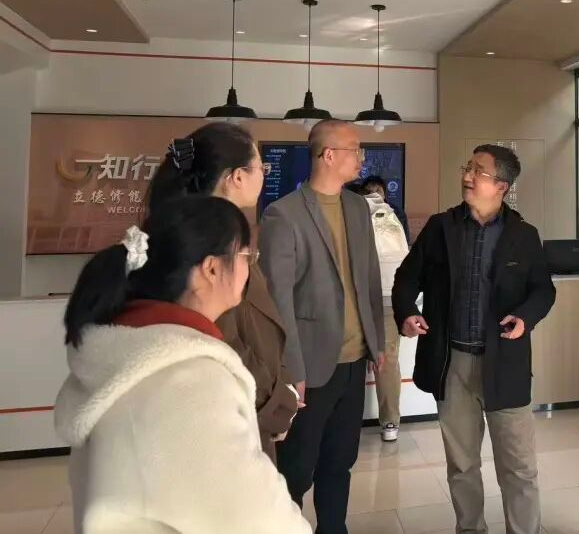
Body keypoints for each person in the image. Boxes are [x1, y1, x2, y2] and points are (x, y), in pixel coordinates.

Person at [55, 197, 311, 534]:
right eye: (247, 257)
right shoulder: (190, 380)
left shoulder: (128, 350)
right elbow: (258, 517)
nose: (250, 269)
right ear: (212, 269)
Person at [393, 144, 555, 534]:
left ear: (501, 186)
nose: (467, 176)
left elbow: (543, 290)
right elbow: (407, 277)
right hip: (452, 364)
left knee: (518, 466)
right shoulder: (440, 228)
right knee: (462, 464)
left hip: (505, 364)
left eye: (478, 171)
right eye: (467, 167)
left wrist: (525, 317)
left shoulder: (523, 235)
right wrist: (407, 312)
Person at [147, 123, 299, 463]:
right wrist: (275, 403)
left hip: (243, 406)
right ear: (237, 177)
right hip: (230, 417)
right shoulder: (210, 243)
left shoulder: (215, 232)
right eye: (260, 167)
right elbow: (220, 338)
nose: (264, 175)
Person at [261, 120, 385, 534]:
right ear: (329, 155)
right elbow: (278, 301)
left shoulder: (357, 208)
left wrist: (377, 344)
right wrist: (292, 369)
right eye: (355, 149)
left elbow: (369, 280)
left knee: (340, 461)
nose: (362, 158)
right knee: (296, 469)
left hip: (353, 361)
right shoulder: (283, 214)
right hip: (310, 369)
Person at [347, 178, 411, 442]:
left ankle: (346, 423)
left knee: (348, 358)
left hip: (355, 298)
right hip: (388, 296)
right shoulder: (393, 214)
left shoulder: (350, 214)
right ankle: (390, 423)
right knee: (387, 361)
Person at [353, 174, 411, 241]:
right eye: (368, 192)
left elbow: (404, 238)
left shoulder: (397, 212)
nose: (374, 194)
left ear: (384, 195)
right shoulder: (357, 212)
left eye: (378, 191)